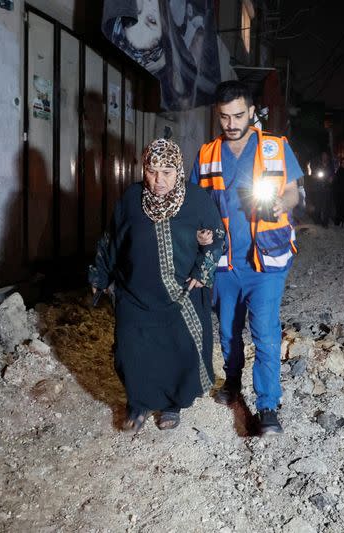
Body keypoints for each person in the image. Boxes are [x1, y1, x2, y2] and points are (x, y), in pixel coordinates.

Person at [189, 80, 303, 435]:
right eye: (225, 117)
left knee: (265, 333)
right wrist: (198, 233)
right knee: (228, 331)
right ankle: (233, 379)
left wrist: (282, 202)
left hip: (266, 261)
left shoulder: (275, 148)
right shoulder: (207, 155)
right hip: (225, 263)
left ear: (252, 112)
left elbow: (294, 193)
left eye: (239, 115)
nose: (232, 123)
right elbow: (195, 205)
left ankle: (267, 405)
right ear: (217, 116)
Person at [89, 138, 225, 433]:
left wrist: (203, 269)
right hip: (135, 292)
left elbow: (217, 238)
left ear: (179, 171)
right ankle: (138, 404)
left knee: (178, 349)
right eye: (152, 171)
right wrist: (99, 275)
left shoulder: (197, 200)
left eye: (167, 171)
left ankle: (171, 405)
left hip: (181, 294)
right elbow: (112, 239)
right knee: (131, 350)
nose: (158, 179)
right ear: (143, 169)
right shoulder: (131, 198)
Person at [312, 151, 334, 227]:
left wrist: (332, 178)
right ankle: (317, 220)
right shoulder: (318, 165)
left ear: (327, 156)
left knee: (326, 206)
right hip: (318, 187)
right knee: (318, 205)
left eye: (325, 155)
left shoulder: (330, 165)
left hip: (327, 188)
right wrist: (316, 176)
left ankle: (325, 222)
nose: (324, 157)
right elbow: (313, 174)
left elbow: (333, 174)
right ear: (321, 156)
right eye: (323, 155)